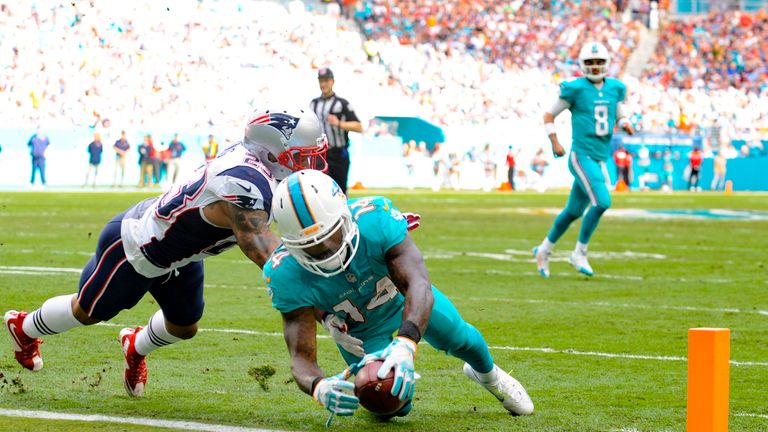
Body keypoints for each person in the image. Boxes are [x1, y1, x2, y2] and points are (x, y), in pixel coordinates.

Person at [3, 106, 330, 398]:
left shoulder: (260, 169)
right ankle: (24, 326)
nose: (310, 163)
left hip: (183, 253)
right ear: (270, 152)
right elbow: (266, 252)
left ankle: (135, 345)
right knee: (88, 312)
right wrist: (321, 298)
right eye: (301, 155)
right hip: (138, 247)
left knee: (185, 326)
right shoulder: (245, 184)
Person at [263, 170, 534, 421]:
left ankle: (491, 378)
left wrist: (406, 343)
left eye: (330, 235)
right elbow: (300, 358)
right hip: (359, 331)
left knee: (462, 339)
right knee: (388, 402)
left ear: (345, 216)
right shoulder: (285, 272)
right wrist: (318, 386)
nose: (325, 250)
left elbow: (418, 283)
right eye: (310, 246)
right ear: (289, 243)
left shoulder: (375, 219)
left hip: (401, 300)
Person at [534, 42, 635, 278]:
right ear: (583, 65)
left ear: (606, 63)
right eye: (590, 62)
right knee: (602, 202)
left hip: (599, 156)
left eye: (599, 62)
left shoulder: (615, 88)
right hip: (582, 155)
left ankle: (543, 249)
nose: (595, 66)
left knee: (573, 211)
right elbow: (549, 114)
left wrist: (625, 123)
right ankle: (579, 252)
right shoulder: (576, 88)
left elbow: (618, 112)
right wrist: (555, 141)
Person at [310, 67, 363, 194]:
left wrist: (338, 123)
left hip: (338, 154)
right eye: (321, 81)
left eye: (326, 81)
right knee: (319, 190)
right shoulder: (313, 104)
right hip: (319, 155)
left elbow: (358, 126)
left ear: (332, 82)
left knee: (340, 191)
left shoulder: (342, 103)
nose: (323, 84)